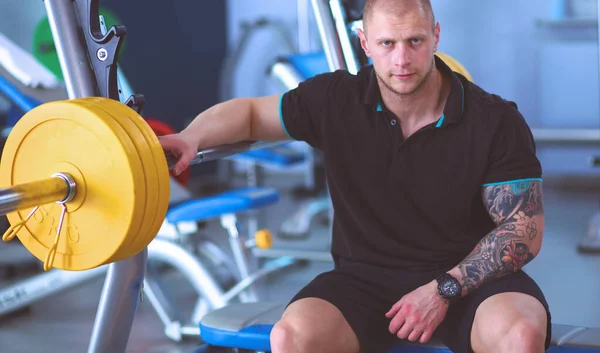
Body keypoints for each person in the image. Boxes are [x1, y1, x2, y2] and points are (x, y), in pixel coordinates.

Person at [159, 0, 551, 352]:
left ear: (435, 36)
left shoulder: (494, 120)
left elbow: (523, 230)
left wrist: (443, 290)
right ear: (364, 43)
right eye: (386, 44)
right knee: (290, 338)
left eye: (414, 41)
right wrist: (192, 137)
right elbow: (248, 113)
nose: (401, 60)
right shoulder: (335, 99)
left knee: (521, 335)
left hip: (467, 280)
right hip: (364, 281)